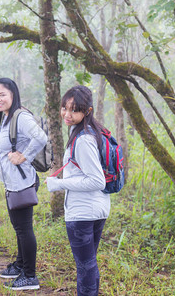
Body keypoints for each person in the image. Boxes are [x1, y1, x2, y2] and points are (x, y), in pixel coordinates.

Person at [46, 85, 109, 296]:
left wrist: (60, 183)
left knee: (86, 267)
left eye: (74, 109)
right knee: (89, 264)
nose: (67, 114)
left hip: (83, 212)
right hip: (96, 209)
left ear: (88, 111)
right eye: (65, 107)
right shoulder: (90, 132)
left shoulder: (83, 140)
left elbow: (97, 180)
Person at [0, 77, 47, 291]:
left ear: (13, 95)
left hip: (22, 182)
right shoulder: (6, 117)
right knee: (19, 228)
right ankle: (21, 265)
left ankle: (30, 276)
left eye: (2, 94)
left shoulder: (20, 116)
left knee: (24, 229)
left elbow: (40, 137)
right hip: (13, 183)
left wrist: (24, 156)